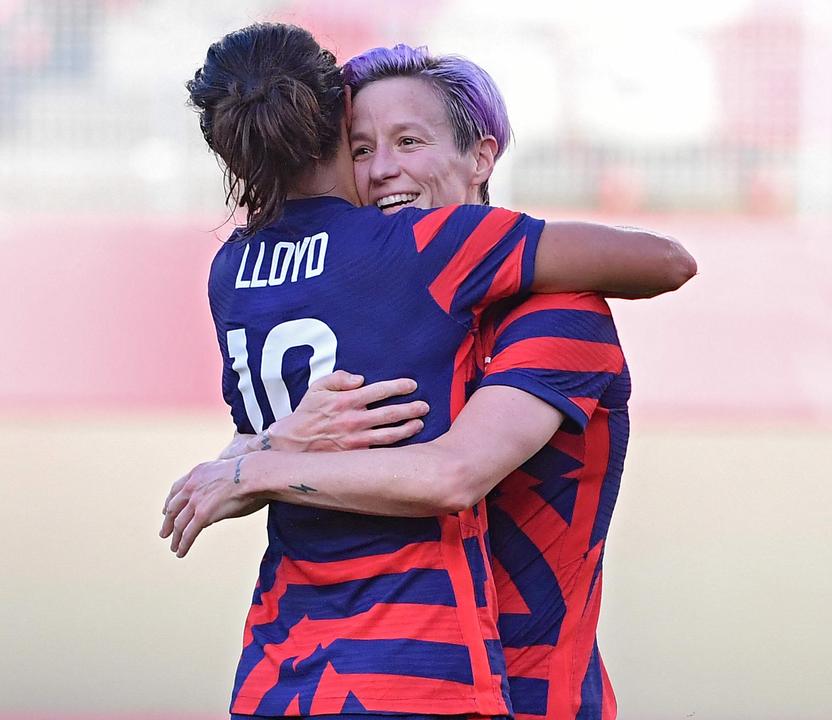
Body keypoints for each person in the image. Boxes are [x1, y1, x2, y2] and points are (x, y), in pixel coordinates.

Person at [164, 23, 693, 719]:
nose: (381, 168)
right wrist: (267, 447)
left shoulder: (559, 313)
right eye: (361, 148)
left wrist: (257, 462)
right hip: (358, 680)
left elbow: (451, 473)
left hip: (528, 697)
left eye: (408, 142)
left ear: (481, 156)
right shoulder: (376, 296)